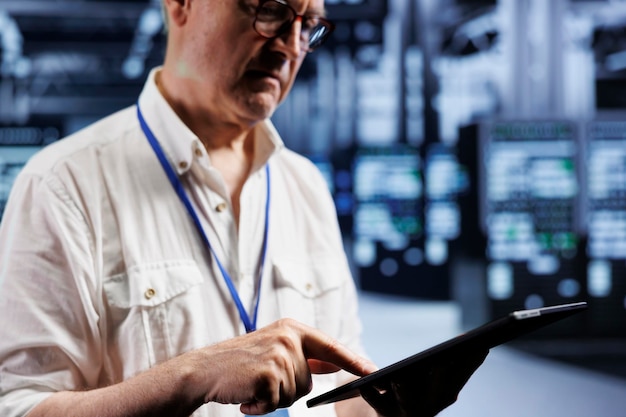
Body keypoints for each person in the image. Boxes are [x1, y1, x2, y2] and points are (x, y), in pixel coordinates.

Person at [0, 0, 487, 416]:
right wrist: (192, 376)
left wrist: (394, 406)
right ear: (181, 4)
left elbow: (335, 399)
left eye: (307, 25)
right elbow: (20, 406)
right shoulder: (63, 185)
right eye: (270, 11)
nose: (290, 45)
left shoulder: (305, 187)